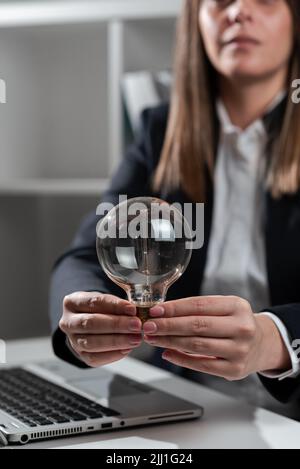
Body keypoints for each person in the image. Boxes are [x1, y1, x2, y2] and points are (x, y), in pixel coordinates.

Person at [50, 0, 300, 406]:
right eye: (220, 1)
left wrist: (277, 339)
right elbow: (84, 256)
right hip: (182, 402)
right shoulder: (159, 130)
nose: (239, 11)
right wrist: (84, 321)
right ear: (196, 23)